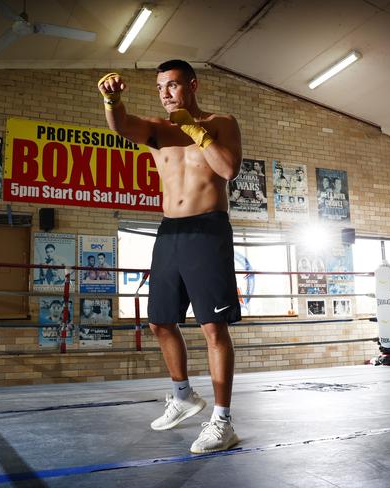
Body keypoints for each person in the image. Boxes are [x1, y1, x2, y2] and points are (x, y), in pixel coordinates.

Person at [97, 60, 241, 453]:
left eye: (173, 85)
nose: (165, 93)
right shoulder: (157, 131)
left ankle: (223, 422)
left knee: (213, 328)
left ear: (191, 86)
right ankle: (183, 396)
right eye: (160, 86)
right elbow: (122, 125)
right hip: (170, 230)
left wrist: (196, 130)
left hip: (208, 229)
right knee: (160, 321)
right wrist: (112, 101)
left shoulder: (220, 122)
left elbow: (228, 169)